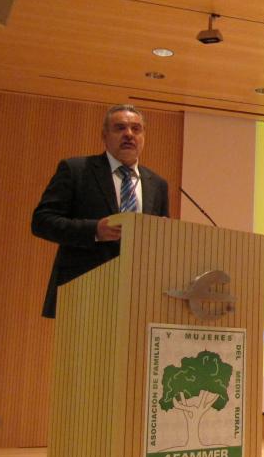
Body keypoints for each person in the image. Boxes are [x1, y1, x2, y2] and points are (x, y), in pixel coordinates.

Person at [31, 104, 169, 318]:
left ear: (144, 137)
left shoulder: (157, 184)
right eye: (120, 128)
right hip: (83, 293)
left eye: (136, 129)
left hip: (137, 297)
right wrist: (94, 230)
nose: (129, 135)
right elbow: (42, 221)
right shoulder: (76, 170)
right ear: (104, 135)